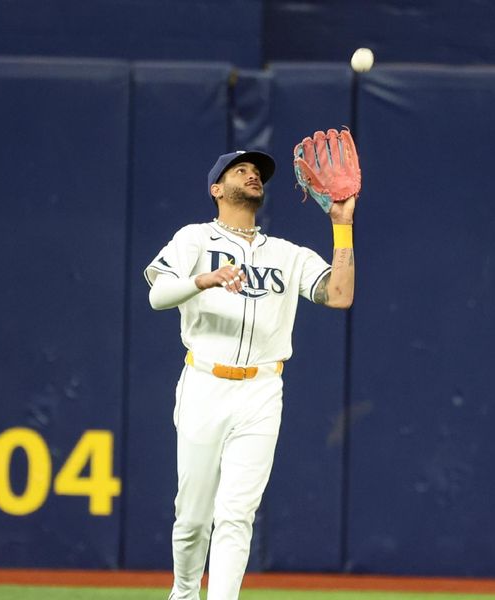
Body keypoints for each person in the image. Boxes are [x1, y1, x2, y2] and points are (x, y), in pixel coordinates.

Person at [144, 135, 357, 600]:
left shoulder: (287, 253)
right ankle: (182, 592)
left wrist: (343, 226)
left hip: (261, 391)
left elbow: (339, 295)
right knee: (194, 517)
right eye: (239, 170)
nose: (252, 173)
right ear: (216, 189)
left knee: (237, 513)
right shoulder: (193, 239)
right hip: (204, 381)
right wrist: (203, 278)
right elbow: (157, 295)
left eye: (257, 170)